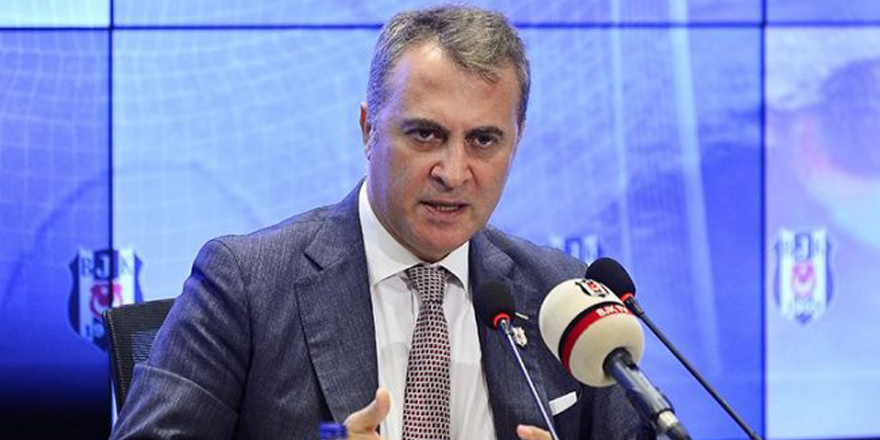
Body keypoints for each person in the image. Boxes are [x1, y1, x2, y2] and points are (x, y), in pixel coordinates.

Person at [110, 5, 651, 440]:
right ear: (369, 130)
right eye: (426, 134)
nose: (453, 172)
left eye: (484, 140)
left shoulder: (563, 297)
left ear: (517, 141)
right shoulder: (246, 284)